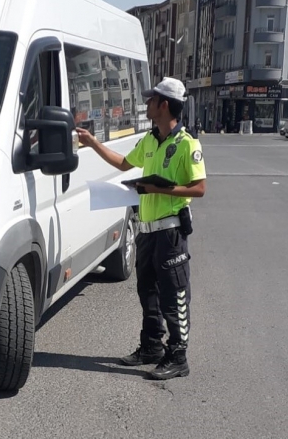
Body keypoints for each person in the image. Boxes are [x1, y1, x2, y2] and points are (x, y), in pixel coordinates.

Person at [76, 77, 206, 380]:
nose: (146, 104)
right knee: (147, 290)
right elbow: (123, 164)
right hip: (147, 231)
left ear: (164, 105)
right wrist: (93, 143)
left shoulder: (187, 144)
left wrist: (160, 189)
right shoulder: (149, 140)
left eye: (151, 100)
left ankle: (178, 356)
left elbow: (199, 188)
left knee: (174, 296)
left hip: (171, 232)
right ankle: (151, 347)